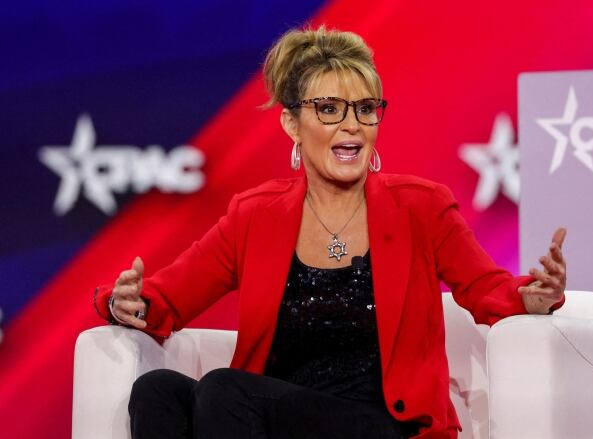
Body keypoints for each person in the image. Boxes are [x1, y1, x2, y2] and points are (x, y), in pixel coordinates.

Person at [92, 26, 567, 439]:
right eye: (329, 109)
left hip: (381, 423)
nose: (352, 127)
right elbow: (167, 298)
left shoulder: (420, 206)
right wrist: (123, 302)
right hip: (270, 415)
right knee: (157, 391)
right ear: (291, 122)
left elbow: (487, 289)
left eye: (365, 109)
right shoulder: (255, 215)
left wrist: (533, 296)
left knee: (223, 390)